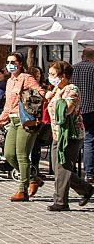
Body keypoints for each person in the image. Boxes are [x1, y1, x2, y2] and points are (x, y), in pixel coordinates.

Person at [0, 52, 45, 202]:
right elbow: (7, 106)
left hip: (26, 121)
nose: (10, 65)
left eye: (14, 62)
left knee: (22, 155)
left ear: (21, 64)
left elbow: (40, 93)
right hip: (13, 121)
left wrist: (27, 95)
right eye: (8, 62)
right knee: (9, 154)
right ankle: (33, 178)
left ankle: (23, 190)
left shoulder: (26, 78)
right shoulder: (10, 81)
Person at [45, 60, 94, 211]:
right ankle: (86, 189)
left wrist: (57, 97)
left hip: (70, 135)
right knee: (58, 168)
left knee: (63, 167)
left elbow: (66, 110)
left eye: (53, 74)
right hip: (56, 135)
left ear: (63, 76)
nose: (50, 77)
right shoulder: (56, 90)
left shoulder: (72, 89)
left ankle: (60, 201)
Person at [71, 47, 94, 183]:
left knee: (74, 140)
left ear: (82, 56)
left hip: (73, 110)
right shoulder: (93, 69)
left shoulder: (72, 69)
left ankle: (71, 169)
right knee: (89, 140)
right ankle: (89, 172)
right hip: (90, 109)